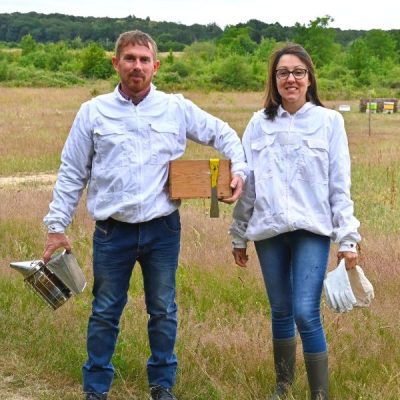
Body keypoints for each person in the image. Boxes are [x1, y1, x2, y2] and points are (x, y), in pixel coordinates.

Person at [42, 30, 247, 400]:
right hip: (111, 232)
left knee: (163, 310)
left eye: (143, 59)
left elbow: (225, 135)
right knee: (105, 311)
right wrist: (56, 227)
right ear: (116, 62)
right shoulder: (93, 112)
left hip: (163, 230)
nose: (137, 65)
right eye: (129, 58)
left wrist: (238, 172)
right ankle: (96, 387)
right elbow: (72, 171)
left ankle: (162, 385)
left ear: (156, 65)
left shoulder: (176, 108)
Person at [229, 43, 361, 400]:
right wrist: (239, 234)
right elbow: (248, 182)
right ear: (274, 80)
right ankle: (282, 387)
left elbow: (339, 183)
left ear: (309, 78)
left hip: (311, 229)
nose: (291, 79)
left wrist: (347, 238)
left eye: (298, 72)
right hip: (268, 230)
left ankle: (320, 394)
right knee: (281, 310)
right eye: (283, 72)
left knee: (305, 311)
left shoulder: (330, 121)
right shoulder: (258, 123)